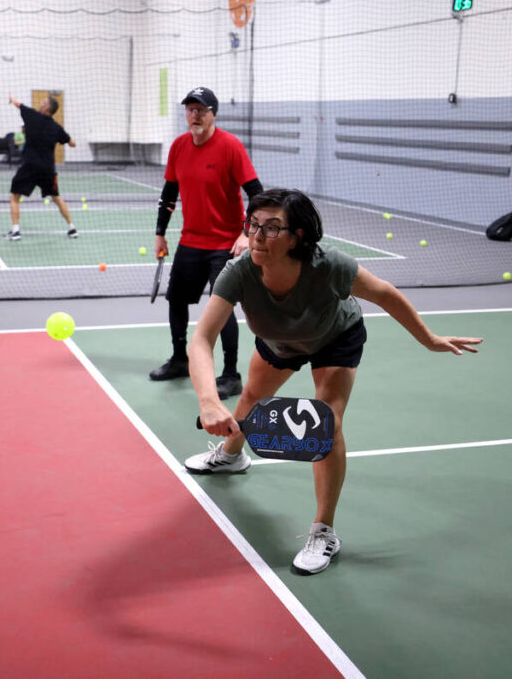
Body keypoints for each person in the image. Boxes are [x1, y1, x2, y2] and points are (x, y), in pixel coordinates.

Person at [185, 188, 483, 575]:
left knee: (326, 425)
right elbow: (202, 338)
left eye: (272, 227)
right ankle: (230, 457)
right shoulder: (240, 272)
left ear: (297, 237)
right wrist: (208, 400)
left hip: (335, 337)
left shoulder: (329, 266)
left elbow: (384, 293)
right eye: (253, 225)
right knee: (252, 397)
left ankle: (323, 530)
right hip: (279, 340)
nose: (257, 236)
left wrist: (428, 339)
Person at [150, 87, 263, 399]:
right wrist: (160, 233)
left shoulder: (230, 146)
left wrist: (246, 234)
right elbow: (169, 194)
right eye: (190, 109)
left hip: (224, 243)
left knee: (221, 307)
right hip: (190, 240)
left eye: (201, 110)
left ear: (213, 114)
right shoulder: (178, 146)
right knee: (176, 299)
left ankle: (231, 375)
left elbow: (257, 194)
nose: (194, 115)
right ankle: (179, 359)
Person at [6, 94, 76, 241]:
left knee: (15, 196)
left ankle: (16, 231)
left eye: (43, 102)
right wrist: (68, 141)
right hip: (47, 169)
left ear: (46, 108)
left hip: (30, 166)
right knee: (56, 198)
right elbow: (72, 143)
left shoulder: (32, 116)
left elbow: (19, 104)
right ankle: (72, 228)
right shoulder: (57, 128)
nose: (41, 104)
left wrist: (12, 99)